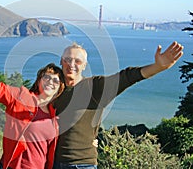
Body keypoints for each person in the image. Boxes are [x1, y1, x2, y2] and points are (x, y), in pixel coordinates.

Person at [52, 41, 184, 169]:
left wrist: (158, 67)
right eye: (67, 59)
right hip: (53, 162)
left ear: (85, 65)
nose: (71, 64)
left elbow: (127, 77)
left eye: (78, 61)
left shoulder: (95, 87)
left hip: (82, 163)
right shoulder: (52, 90)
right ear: (61, 61)